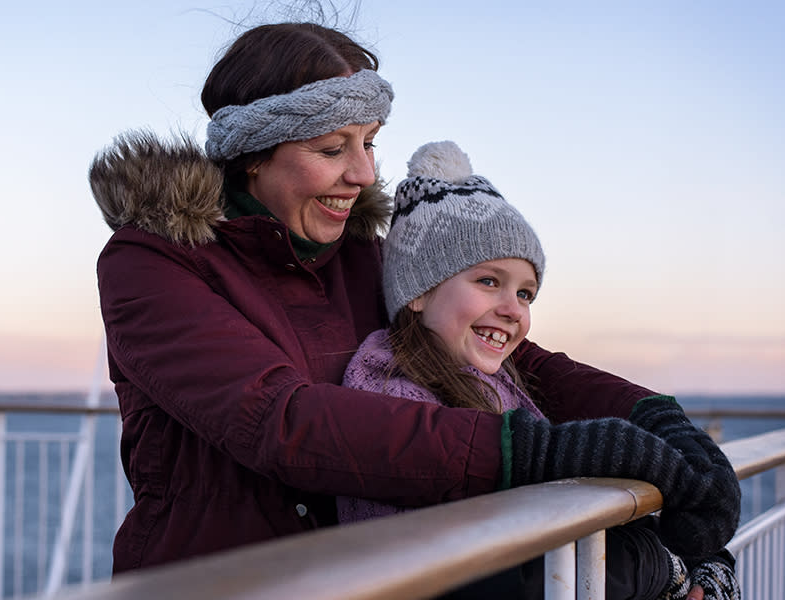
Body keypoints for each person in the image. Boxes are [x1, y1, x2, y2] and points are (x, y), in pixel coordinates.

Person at [89, 19, 740, 589]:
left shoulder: (363, 257)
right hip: (220, 584)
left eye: (369, 142)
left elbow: (510, 354)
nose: (365, 173)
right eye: (331, 148)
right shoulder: (151, 262)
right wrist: (533, 453)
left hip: (368, 579)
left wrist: (653, 418)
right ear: (253, 158)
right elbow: (279, 422)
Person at [337, 141, 741, 600]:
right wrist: (663, 566)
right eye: (489, 281)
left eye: (526, 293)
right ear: (419, 291)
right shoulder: (389, 388)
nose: (514, 310)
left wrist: (707, 563)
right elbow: (493, 567)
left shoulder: (497, 380)